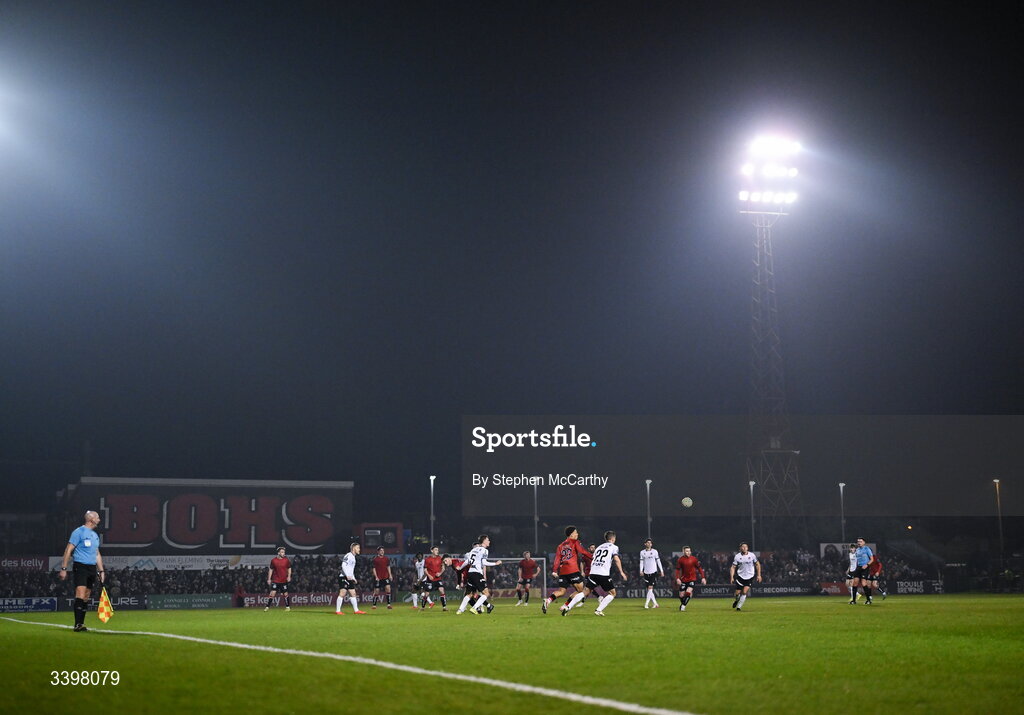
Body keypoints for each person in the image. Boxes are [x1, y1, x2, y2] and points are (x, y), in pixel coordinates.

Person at [59, 510, 106, 632]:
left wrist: (101, 571)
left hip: (91, 568)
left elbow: (97, 554)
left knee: (86, 596)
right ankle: (77, 624)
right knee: (80, 592)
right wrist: (64, 568)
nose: (99, 520)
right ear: (91, 519)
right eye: (98, 517)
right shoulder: (78, 532)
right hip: (80, 566)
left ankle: (81, 623)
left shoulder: (95, 535)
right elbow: (68, 550)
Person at [542, 526, 592, 615]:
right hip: (572, 570)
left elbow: (557, 559)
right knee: (580, 591)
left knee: (561, 591)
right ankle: (565, 606)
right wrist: (593, 557)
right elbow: (583, 552)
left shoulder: (560, 546)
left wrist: (554, 570)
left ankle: (548, 600)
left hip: (562, 571)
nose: (577, 534)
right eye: (576, 532)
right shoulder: (575, 542)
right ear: (571, 534)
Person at [585, 531, 628, 616]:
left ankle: (567, 607)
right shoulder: (614, 547)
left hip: (593, 572)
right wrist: (622, 572)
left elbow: (593, 560)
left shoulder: (599, 547)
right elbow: (616, 559)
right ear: (613, 539)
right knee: (613, 593)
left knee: (585, 591)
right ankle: (598, 610)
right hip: (603, 573)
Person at [457, 535, 502, 615]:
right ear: (484, 541)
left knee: (469, 594)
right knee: (486, 593)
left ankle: (460, 610)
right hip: (477, 574)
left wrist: (460, 568)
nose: (489, 541)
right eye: (488, 540)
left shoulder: (473, 550)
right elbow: (484, 562)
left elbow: (467, 561)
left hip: (470, 573)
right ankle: (474, 608)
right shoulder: (484, 550)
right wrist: (496, 563)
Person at [336, 543, 366, 615]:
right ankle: (338, 611)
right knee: (342, 593)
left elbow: (351, 570)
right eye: (358, 548)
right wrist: (347, 575)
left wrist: (353, 578)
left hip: (349, 578)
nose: (359, 549)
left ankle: (356, 610)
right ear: (353, 548)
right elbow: (343, 565)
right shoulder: (348, 555)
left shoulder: (353, 557)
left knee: (353, 594)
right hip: (343, 577)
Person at [729, 542, 761, 611]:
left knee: (744, 592)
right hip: (740, 576)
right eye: (742, 547)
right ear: (740, 548)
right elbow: (733, 567)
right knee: (737, 594)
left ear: (747, 548)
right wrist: (731, 577)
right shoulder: (737, 556)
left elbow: (757, 564)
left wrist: (759, 575)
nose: (744, 548)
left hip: (750, 576)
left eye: (745, 546)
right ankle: (736, 600)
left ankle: (739, 607)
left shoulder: (752, 555)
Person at [674, 546, 707, 611]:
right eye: (687, 551)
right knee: (681, 595)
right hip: (683, 579)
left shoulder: (694, 559)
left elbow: (699, 568)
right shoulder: (680, 560)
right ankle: (683, 603)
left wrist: (703, 577)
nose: (688, 552)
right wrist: (677, 578)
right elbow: (677, 570)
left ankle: (683, 607)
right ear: (683, 552)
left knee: (688, 592)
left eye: (689, 551)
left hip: (692, 579)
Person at [421, 546, 449, 611]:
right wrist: (429, 575)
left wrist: (440, 573)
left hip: (438, 579)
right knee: (427, 594)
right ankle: (423, 607)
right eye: (436, 550)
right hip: (430, 579)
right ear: (432, 551)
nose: (437, 551)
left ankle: (444, 607)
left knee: (442, 590)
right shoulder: (427, 559)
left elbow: (443, 568)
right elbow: (425, 569)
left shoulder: (440, 558)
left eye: (438, 550)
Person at [265, 547, 292, 611]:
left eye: (284, 552)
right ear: (278, 553)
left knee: (285, 593)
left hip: (284, 580)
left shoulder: (286, 560)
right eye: (282, 552)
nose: (283, 553)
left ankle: (288, 607)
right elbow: (271, 570)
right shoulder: (273, 560)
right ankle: (267, 607)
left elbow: (289, 568)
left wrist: (289, 576)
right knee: (273, 593)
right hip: (276, 580)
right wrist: (269, 579)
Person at [639, 539, 664, 609]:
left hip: (653, 572)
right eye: (648, 543)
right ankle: (655, 603)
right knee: (649, 590)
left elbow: (658, 561)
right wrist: (641, 570)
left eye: (650, 543)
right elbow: (641, 562)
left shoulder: (655, 551)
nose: (649, 544)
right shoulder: (642, 552)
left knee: (650, 588)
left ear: (651, 544)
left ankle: (646, 604)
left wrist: (661, 570)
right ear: (645, 544)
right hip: (646, 573)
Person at [853, 538, 875, 605]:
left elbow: (872, 559)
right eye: (858, 541)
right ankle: (853, 601)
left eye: (860, 541)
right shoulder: (857, 550)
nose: (859, 542)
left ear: (864, 542)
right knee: (855, 583)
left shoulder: (867, 549)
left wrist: (867, 565)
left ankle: (868, 600)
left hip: (865, 567)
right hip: (858, 567)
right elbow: (856, 560)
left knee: (863, 583)